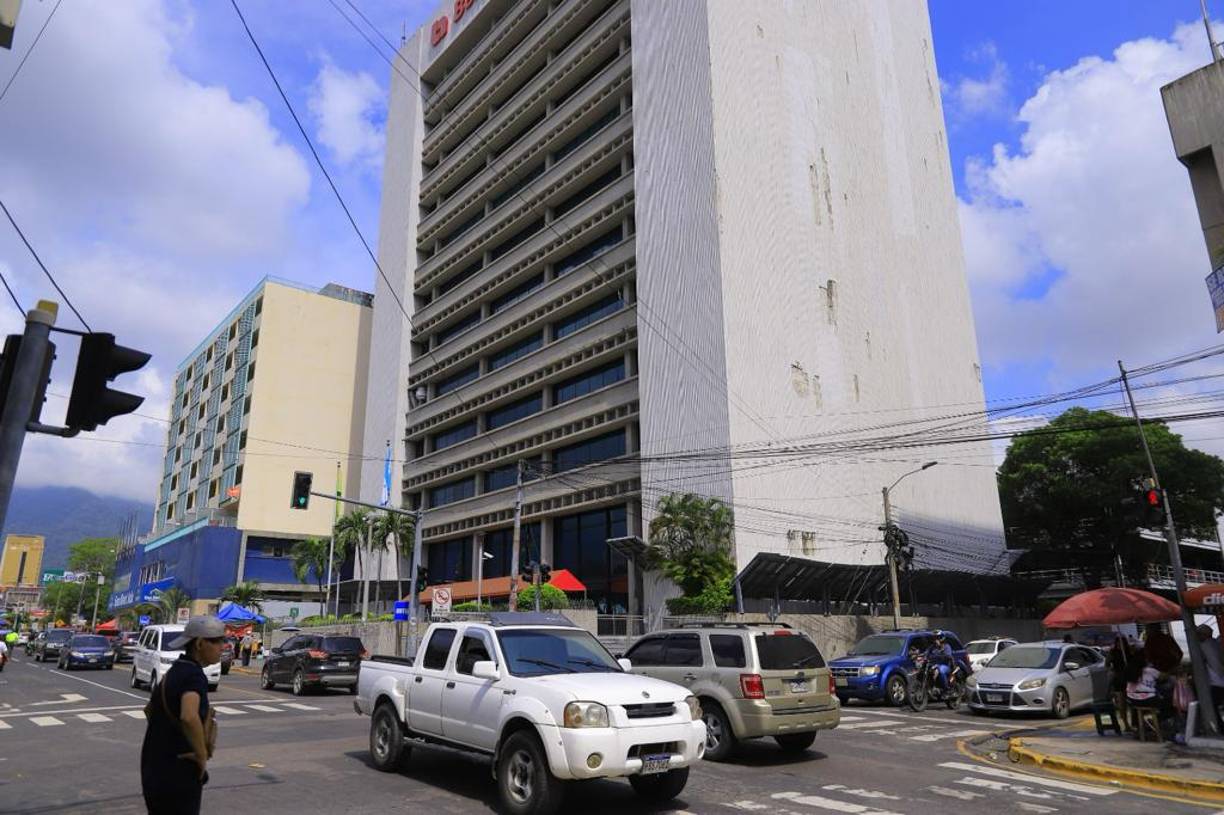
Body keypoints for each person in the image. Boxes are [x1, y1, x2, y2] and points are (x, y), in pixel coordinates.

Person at [141, 615, 224, 815]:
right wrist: (201, 755)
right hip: (177, 773)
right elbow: (189, 715)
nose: (222, 646)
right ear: (200, 644)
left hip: (155, 767)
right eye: (217, 641)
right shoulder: (193, 676)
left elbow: (151, 712)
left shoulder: (176, 671)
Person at [1196, 624, 1224, 711]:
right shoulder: (1216, 643)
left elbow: (1216, 664)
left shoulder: (1205, 646)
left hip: (1217, 681)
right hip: (1218, 680)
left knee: (1213, 706)